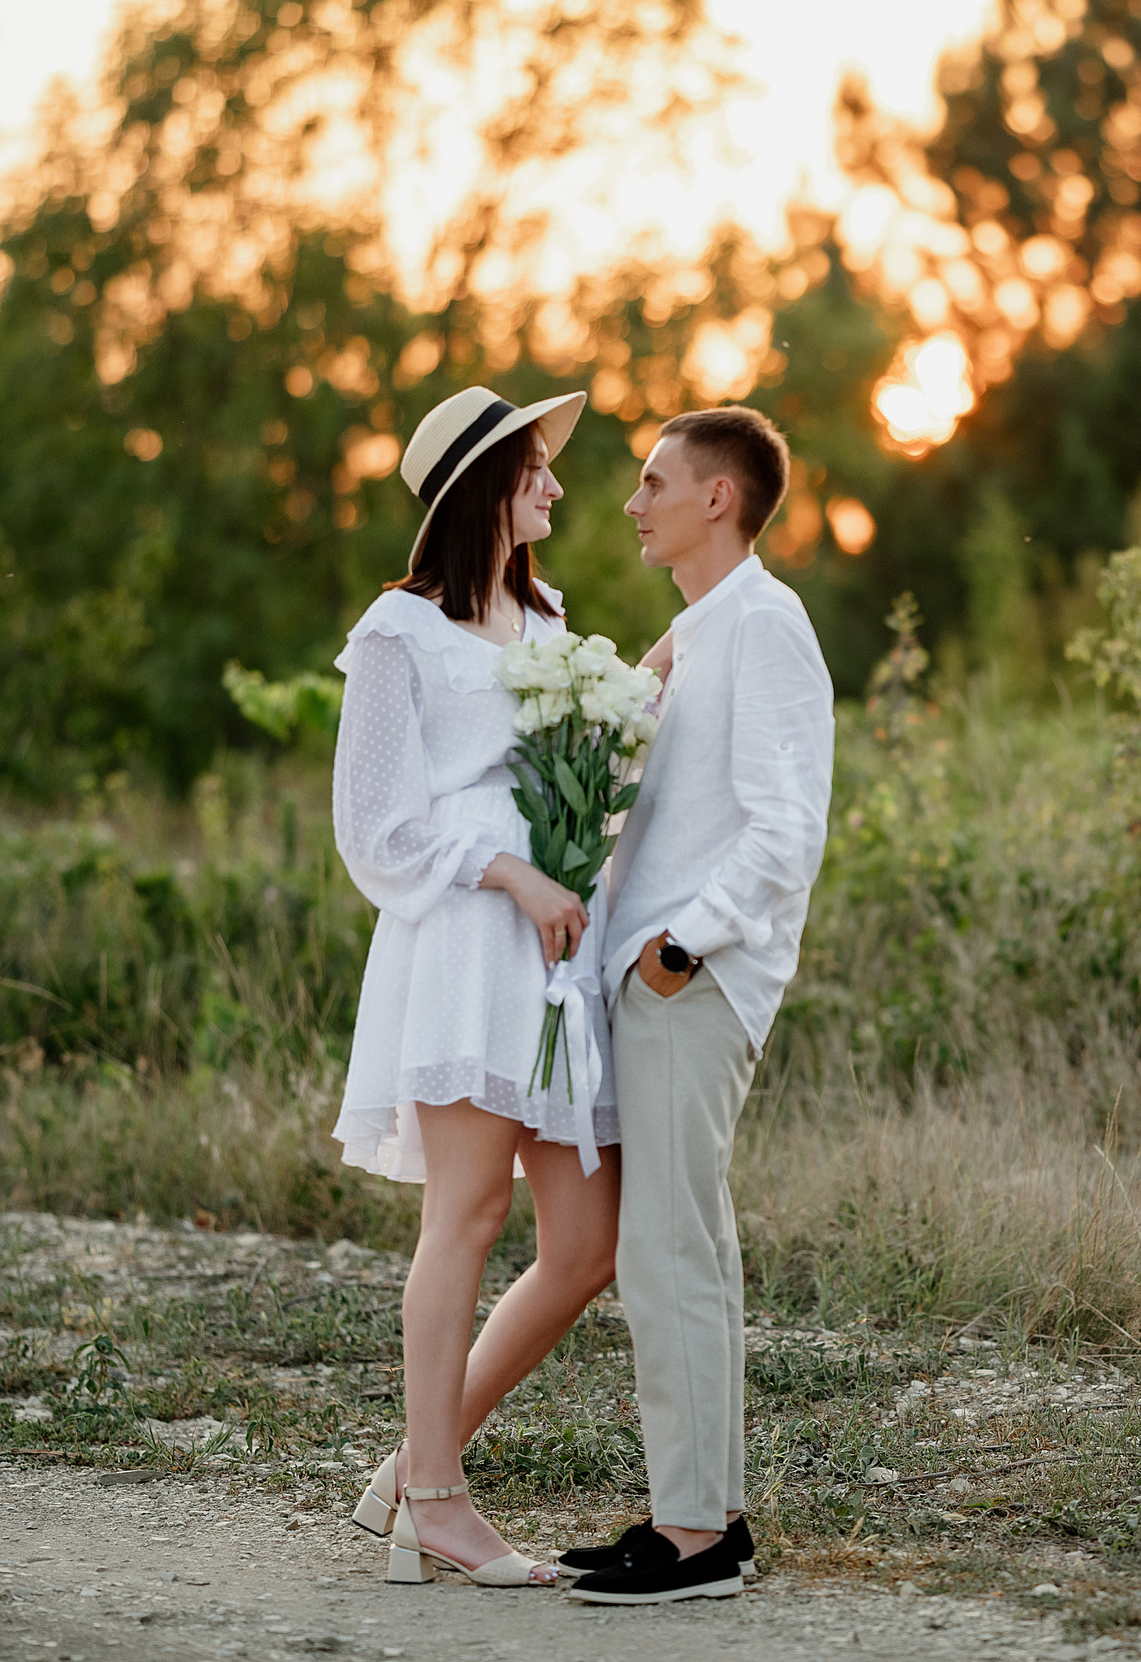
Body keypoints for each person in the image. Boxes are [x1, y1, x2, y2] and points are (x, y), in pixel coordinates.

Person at [328, 385, 619, 1589]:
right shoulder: (398, 634)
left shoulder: (549, 617)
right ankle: (440, 1501)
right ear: (485, 485)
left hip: (552, 952)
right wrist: (508, 872)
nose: (555, 487)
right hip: (461, 934)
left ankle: (407, 1473)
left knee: (587, 1241)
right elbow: (373, 831)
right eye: (537, 467)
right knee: (469, 1213)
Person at [560, 407, 836, 1605]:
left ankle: (692, 1543)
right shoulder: (692, 633)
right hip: (658, 974)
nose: (633, 503)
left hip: (693, 979)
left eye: (652, 482)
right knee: (687, 1249)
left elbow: (789, 831)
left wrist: (678, 946)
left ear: (718, 498)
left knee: (664, 1248)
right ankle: (705, 1514)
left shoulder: (765, 626)